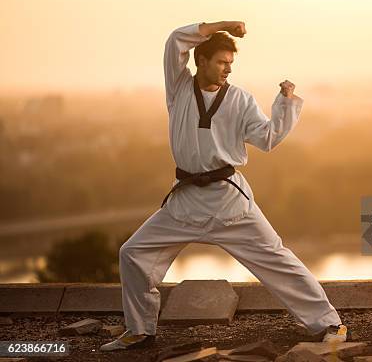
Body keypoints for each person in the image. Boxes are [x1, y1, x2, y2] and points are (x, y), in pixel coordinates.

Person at [100, 20, 348, 351]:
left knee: (277, 259)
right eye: (221, 62)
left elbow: (267, 137)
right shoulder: (178, 88)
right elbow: (176, 40)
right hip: (185, 201)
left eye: (230, 64)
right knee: (134, 254)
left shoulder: (240, 100)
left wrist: (285, 102)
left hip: (228, 202)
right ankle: (141, 330)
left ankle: (329, 324)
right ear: (200, 60)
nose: (227, 69)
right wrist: (224, 25)